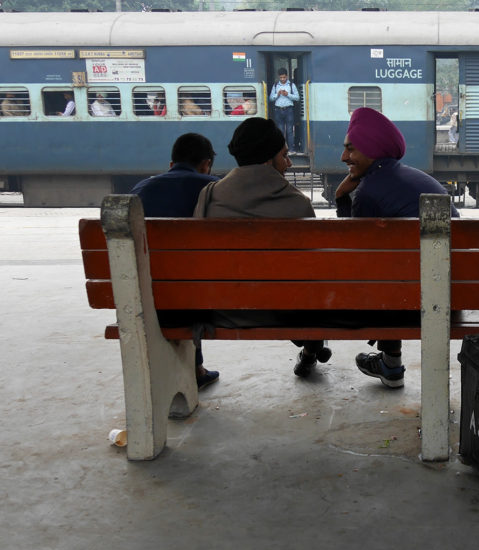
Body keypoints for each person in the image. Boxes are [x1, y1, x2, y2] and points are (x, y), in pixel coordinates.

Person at [193, 117, 329, 377]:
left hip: (223, 312)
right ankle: (312, 348)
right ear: (269, 159)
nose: (288, 164)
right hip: (287, 315)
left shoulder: (208, 196)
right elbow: (313, 273)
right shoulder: (297, 205)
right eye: (285, 156)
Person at [334, 107, 459, 388]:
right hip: (451, 292)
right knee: (392, 275)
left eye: (351, 149)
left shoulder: (367, 193)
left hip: (406, 300)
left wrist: (341, 197)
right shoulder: (416, 178)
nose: (344, 157)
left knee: (381, 280)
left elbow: (354, 254)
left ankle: (390, 365)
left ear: (372, 150)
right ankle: (389, 364)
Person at [128, 133, 221, 389]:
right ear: (205, 164)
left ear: (171, 165)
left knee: (174, 275)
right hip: (204, 298)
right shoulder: (214, 187)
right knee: (194, 274)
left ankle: (191, 369)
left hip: (149, 295)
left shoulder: (142, 189)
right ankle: (196, 369)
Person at [268, 67, 299, 151]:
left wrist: (287, 94)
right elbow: (270, 98)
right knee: (280, 131)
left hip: (289, 110)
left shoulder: (291, 85)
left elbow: (297, 98)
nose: (282, 79)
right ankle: (282, 150)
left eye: (284, 77)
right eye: (281, 77)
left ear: (287, 76)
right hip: (278, 110)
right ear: (279, 77)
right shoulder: (275, 85)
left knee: (289, 131)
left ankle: (291, 150)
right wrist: (277, 95)